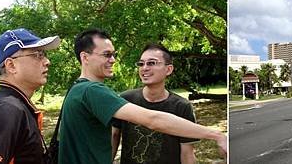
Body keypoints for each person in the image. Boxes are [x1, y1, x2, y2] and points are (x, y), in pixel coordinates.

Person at [57, 29, 226, 164]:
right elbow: (152, 120)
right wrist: (216, 135)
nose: (113, 60)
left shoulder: (77, 88)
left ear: (169, 69)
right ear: (85, 57)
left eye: (113, 54)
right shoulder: (92, 91)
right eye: (107, 55)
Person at [0, 28, 61, 164]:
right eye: (38, 55)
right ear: (11, 65)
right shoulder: (7, 110)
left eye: (44, 54)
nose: (47, 61)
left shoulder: (17, 105)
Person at [111, 44, 197, 164]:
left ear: (169, 69)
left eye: (151, 63)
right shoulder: (125, 99)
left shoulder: (182, 107)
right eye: (141, 64)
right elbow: (113, 137)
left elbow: (187, 153)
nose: (144, 68)